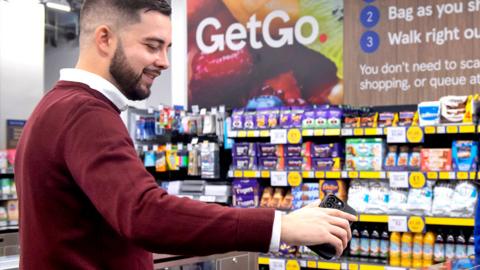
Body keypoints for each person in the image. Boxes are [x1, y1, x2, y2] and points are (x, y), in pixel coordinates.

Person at [15, 0, 356, 269]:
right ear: (104, 38)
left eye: (168, 48)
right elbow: (145, 213)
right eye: (152, 45)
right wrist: (282, 227)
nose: (164, 62)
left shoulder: (56, 105)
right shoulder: (84, 113)